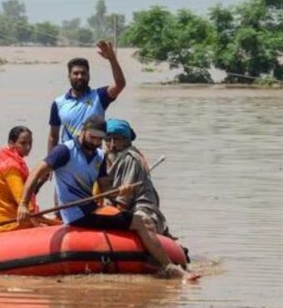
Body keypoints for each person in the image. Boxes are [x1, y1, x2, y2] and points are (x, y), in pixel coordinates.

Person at [18, 116, 189, 279]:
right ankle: (169, 267)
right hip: (77, 213)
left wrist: (121, 190)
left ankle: (163, 259)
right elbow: (36, 172)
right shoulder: (65, 151)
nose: (95, 142)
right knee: (140, 222)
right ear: (83, 131)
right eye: (92, 137)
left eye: (99, 139)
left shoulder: (99, 156)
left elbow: (106, 188)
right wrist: (23, 204)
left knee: (138, 220)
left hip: (93, 209)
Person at [47, 40, 127, 153]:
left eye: (83, 73)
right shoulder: (58, 103)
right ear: (69, 76)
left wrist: (112, 59)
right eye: (75, 73)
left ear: (89, 75)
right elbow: (53, 137)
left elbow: (120, 84)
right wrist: (49, 166)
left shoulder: (99, 97)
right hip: (67, 160)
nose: (80, 76)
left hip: (93, 158)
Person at [101, 118, 171, 237]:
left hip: (140, 208)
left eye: (117, 139)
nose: (112, 144)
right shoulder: (103, 159)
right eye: (108, 139)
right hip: (116, 207)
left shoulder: (131, 158)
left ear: (127, 141)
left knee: (141, 221)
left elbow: (124, 202)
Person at [0, 126, 54, 234]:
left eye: (30, 143)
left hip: (8, 219)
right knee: (56, 224)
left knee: (55, 222)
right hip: (6, 224)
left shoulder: (5, 161)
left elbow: (25, 192)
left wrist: (41, 181)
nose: (28, 147)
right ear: (11, 143)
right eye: (23, 143)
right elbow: (21, 198)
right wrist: (37, 225)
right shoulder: (10, 166)